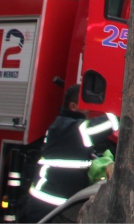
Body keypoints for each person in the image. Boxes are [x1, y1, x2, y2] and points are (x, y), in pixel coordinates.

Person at [22, 85, 118, 223]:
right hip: (48, 203)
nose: (89, 109)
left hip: (50, 200)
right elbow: (110, 123)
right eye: (85, 104)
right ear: (73, 106)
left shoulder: (63, 124)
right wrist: (123, 112)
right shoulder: (71, 127)